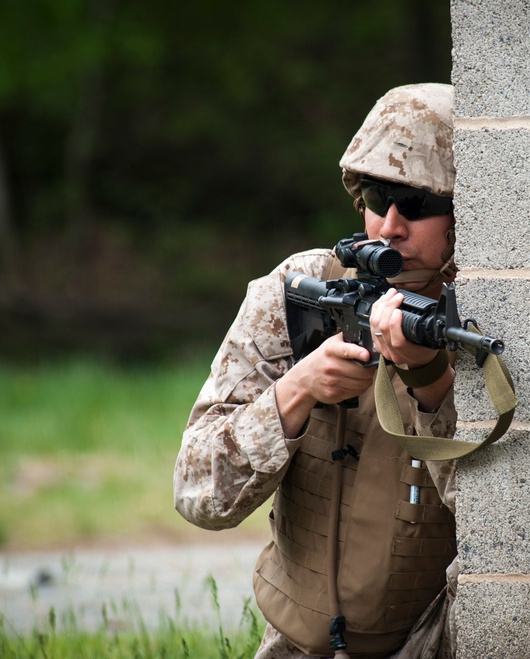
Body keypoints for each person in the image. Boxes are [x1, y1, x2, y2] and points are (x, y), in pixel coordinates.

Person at [174, 83, 460, 659]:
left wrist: (429, 380)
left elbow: (513, 522)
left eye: (420, 204)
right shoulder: (297, 291)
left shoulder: (487, 313)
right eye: (379, 197)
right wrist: (296, 391)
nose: (391, 226)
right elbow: (199, 493)